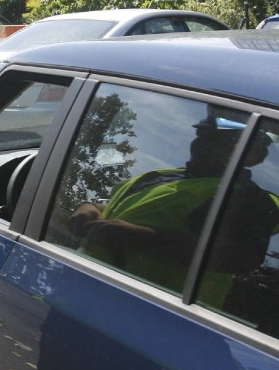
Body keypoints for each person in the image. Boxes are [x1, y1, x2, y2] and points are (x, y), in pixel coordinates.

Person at [67, 115, 279, 306]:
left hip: (157, 310)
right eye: (202, 135)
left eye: (218, 140)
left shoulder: (247, 199)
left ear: (250, 155)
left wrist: (142, 239)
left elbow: (241, 259)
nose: (200, 144)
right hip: (89, 287)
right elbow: (128, 207)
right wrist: (91, 206)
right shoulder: (166, 175)